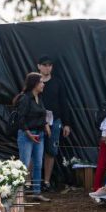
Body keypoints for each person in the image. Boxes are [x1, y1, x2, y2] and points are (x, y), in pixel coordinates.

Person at [13, 72, 50, 203]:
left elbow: (41, 114)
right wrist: (28, 134)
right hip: (26, 135)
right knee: (24, 165)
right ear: (34, 84)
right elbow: (21, 119)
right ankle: (20, 196)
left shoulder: (39, 97)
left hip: (39, 135)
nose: (43, 84)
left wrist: (46, 125)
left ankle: (37, 193)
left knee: (38, 164)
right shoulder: (25, 98)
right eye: (41, 82)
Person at [37, 56, 70, 192]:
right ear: (39, 66)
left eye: (50, 65)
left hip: (54, 122)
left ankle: (46, 182)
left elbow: (64, 103)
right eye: (44, 65)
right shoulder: (34, 82)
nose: (47, 67)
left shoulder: (58, 83)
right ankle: (31, 183)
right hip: (36, 122)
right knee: (34, 152)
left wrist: (66, 123)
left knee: (51, 151)